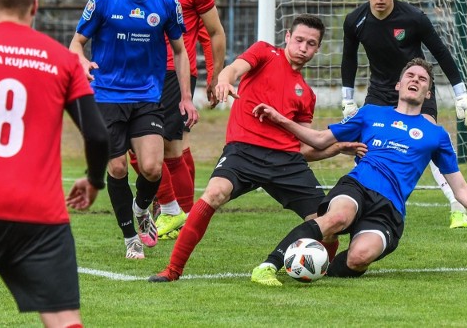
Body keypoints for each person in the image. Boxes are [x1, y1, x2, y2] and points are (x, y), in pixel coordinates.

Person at [251, 58, 467, 286]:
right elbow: (320, 140)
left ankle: (323, 268)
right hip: (357, 186)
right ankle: (269, 265)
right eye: (410, 76)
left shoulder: (437, 136)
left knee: (359, 258)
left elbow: (460, 189)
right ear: (399, 85)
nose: (415, 80)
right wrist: (281, 119)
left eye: (423, 79)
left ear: (428, 93)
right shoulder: (370, 113)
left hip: (389, 208)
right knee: (338, 217)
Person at [148, 14, 366, 282]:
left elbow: (304, 148)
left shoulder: (307, 94)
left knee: (327, 225)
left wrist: (337, 149)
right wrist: (224, 80)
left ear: (317, 48)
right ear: (287, 37)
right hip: (243, 152)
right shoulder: (264, 52)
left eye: (311, 44)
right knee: (214, 194)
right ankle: (172, 270)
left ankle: (321, 269)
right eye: (299, 40)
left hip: (286, 162)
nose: (303, 48)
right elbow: (233, 70)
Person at [0, 0, 109, 326]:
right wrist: (94, 181)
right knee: (65, 318)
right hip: (41, 213)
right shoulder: (63, 60)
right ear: (35, 6)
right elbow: (98, 134)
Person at [69, 0, 198, 259]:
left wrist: (185, 97)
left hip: (147, 95)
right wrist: (82, 62)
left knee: (153, 168)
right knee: (116, 169)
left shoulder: (167, 1)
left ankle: (141, 209)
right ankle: (131, 238)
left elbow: (180, 51)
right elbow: (76, 43)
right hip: (108, 96)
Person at [340, 0, 467, 229]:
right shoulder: (355, 21)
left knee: (429, 140)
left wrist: (462, 96)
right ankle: (361, 201)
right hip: (380, 92)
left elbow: (441, 53)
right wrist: (347, 100)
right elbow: (349, 60)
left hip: (417, 88)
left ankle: (457, 207)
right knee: (367, 146)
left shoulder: (413, 17)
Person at [133, 0, 226, 240]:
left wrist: (215, 76)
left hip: (176, 73)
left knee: (170, 147)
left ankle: (178, 214)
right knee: (165, 145)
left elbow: (215, 33)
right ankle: (180, 213)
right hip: (143, 73)